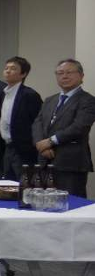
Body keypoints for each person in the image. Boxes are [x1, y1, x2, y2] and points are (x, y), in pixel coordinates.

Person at [33, 59, 95, 198]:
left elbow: (79, 127)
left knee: (70, 204)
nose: (64, 76)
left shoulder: (88, 100)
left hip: (70, 164)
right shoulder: (50, 100)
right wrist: (41, 145)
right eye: (60, 73)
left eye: (69, 72)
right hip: (44, 161)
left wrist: (50, 141)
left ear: (81, 76)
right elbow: (37, 123)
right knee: (43, 203)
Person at [0, 56, 42, 179]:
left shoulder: (29, 95)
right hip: (7, 146)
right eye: (6, 68)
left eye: (13, 68)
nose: (8, 71)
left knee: (24, 182)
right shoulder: (3, 94)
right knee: (7, 182)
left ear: (23, 74)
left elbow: (38, 122)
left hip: (24, 149)